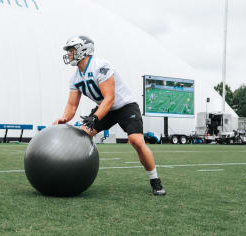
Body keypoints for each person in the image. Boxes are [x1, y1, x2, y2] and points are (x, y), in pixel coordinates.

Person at [53, 36, 166, 196]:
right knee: (81, 136)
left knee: (136, 141)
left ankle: (155, 180)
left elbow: (110, 98)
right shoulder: (75, 78)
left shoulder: (101, 66)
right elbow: (72, 105)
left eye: (72, 50)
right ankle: (73, 174)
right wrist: (65, 118)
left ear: (84, 50)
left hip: (124, 106)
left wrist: (95, 117)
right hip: (105, 109)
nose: (70, 54)